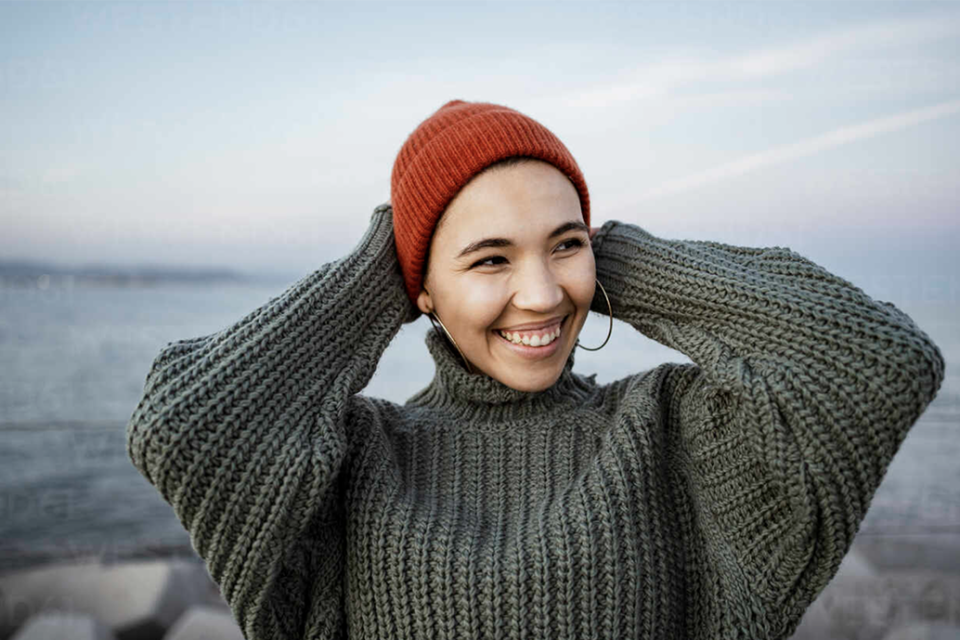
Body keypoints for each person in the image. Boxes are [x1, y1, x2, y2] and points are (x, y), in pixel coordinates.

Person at [125, 99, 945, 640]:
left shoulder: (663, 430)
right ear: (419, 291)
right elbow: (181, 426)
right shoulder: (362, 458)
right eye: (490, 259)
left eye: (565, 244)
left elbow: (876, 362)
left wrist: (622, 260)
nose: (542, 294)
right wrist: (382, 273)